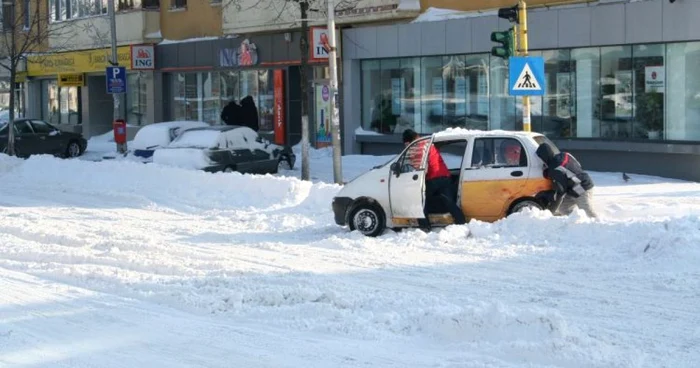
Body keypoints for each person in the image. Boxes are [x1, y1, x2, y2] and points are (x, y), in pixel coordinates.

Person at [402, 129, 466, 230]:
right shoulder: (428, 143)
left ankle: (424, 226)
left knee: (418, 199)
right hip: (445, 176)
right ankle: (462, 222)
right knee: (449, 202)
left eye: (406, 143)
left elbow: (420, 169)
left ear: (408, 141)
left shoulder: (417, 147)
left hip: (433, 179)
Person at [536, 142, 598, 218]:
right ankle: (574, 221)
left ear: (544, 157)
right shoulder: (564, 154)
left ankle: (597, 224)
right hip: (579, 183)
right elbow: (577, 165)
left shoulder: (555, 169)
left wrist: (551, 211)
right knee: (564, 207)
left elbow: (561, 191)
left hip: (582, 187)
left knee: (586, 210)